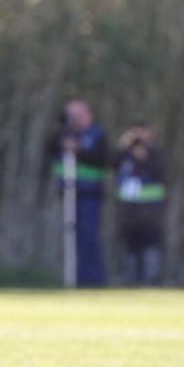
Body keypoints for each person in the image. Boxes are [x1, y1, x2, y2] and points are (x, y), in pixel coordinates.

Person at [50, 98, 108, 286]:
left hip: (89, 194)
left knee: (89, 238)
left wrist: (79, 150)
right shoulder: (62, 135)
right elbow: (50, 151)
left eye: (76, 115)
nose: (72, 119)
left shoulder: (96, 135)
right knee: (71, 239)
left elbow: (103, 160)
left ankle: (92, 279)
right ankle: (73, 277)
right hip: (67, 194)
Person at [113, 122, 165, 285]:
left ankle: (151, 277)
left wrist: (144, 159)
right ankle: (131, 277)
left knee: (150, 241)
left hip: (150, 209)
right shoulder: (124, 155)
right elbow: (111, 163)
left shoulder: (155, 155)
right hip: (129, 209)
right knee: (130, 242)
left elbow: (161, 173)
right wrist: (123, 146)